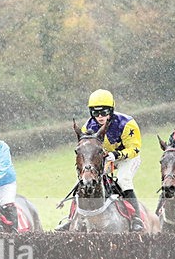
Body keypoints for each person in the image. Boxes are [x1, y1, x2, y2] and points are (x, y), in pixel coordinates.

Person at [56, 89, 144, 231]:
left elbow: (135, 149)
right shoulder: (88, 127)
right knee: (82, 181)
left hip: (127, 157)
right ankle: (71, 218)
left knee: (123, 180)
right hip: (105, 158)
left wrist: (115, 155)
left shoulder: (127, 124)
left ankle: (136, 219)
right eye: (96, 113)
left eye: (104, 112)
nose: (100, 116)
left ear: (111, 110)